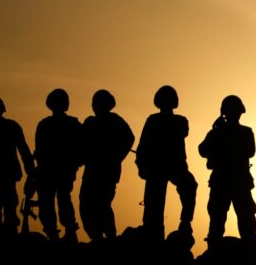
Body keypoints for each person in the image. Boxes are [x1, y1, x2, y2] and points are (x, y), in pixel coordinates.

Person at [136, 85, 197, 241]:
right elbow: (143, 146)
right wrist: (142, 164)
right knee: (154, 208)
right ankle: (155, 234)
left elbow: (181, 132)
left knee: (189, 186)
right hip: (157, 168)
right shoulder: (153, 121)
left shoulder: (180, 121)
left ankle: (185, 222)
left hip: (173, 165)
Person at [198, 95, 256, 250]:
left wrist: (217, 132)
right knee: (221, 218)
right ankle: (218, 248)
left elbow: (250, 151)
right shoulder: (238, 132)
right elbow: (202, 150)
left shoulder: (242, 132)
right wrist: (215, 132)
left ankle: (243, 248)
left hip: (230, 181)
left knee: (243, 217)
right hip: (231, 181)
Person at [79, 89, 135, 241]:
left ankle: (110, 237)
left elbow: (129, 138)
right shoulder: (89, 122)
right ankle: (96, 236)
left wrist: (116, 157)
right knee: (86, 204)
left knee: (103, 204)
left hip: (107, 171)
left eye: (97, 102)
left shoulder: (115, 121)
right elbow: (80, 144)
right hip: (92, 170)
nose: (94, 106)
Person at [34, 88, 82, 241]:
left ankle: (59, 232)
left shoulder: (45, 125)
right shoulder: (72, 124)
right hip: (58, 171)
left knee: (53, 201)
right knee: (59, 200)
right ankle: (62, 232)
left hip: (56, 171)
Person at [0, 96, 35, 242]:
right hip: (5, 177)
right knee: (6, 210)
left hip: (2, 177)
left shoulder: (10, 127)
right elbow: (24, 152)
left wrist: (31, 173)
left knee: (1, 211)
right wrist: (31, 173)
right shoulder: (12, 126)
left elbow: (24, 151)